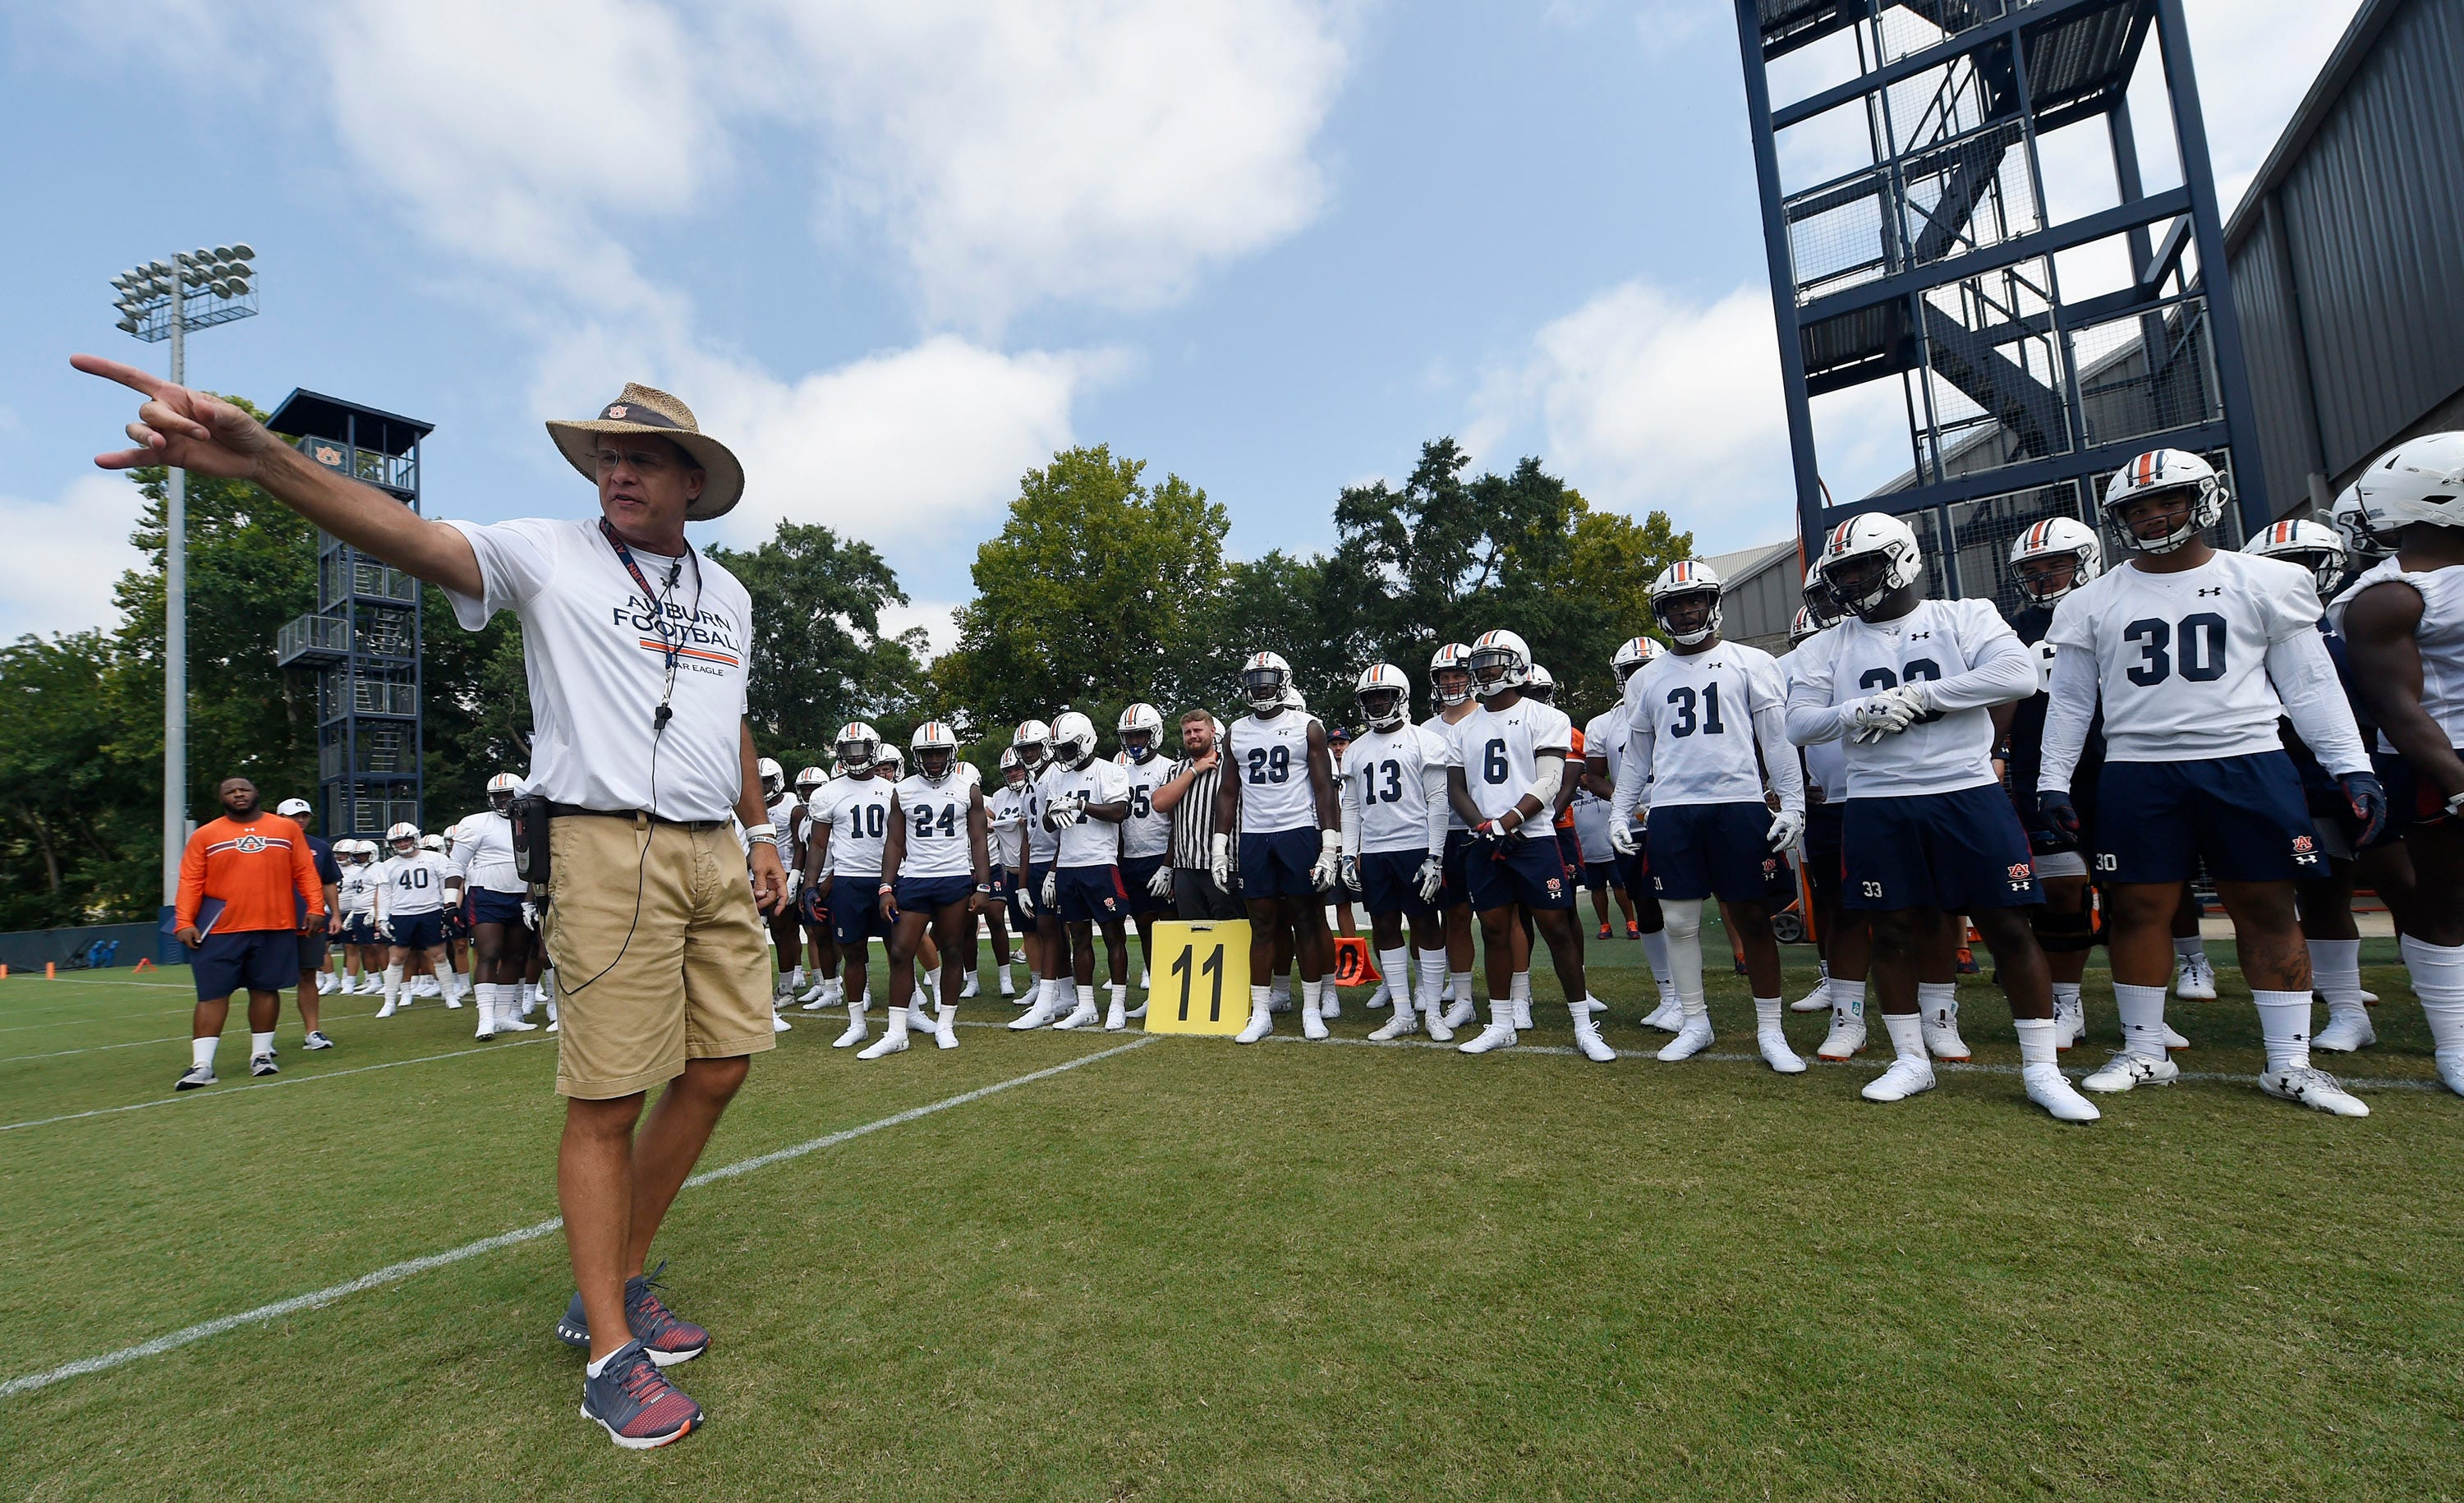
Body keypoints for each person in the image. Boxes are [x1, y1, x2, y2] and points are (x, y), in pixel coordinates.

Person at [82, 361, 792, 1446]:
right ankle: (610, 1350)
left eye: (641, 455)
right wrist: (268, 460)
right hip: (606, 848)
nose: (617, 470)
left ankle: (620, 1276)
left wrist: (764, 828)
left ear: (693, 481)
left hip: (713, 853)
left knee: (723, 1067)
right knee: (607, 1097)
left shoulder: (728, 596)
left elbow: (724, 712)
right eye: (607, 453)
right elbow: (410, 538)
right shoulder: (549, 554)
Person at [2038, 449, 2383, 1117]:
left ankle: (2289, 1063)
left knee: (2266, 905)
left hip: (2246, 758)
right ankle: (2144, 1050)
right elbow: (2073, 702)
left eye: (2166, 501)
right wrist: (2053, 780)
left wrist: (2352, 765)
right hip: (2137, 767)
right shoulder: (2091, 600)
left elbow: (2309, 685)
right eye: (2138, 508)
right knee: (2138, 908)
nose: (2154, 515)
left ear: (2204, 500)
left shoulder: (2264, 580)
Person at [1786, 512, 2097, 1121]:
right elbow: (1798, 723)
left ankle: (2042, 1069)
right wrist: (1861, 711)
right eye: (1842, 572)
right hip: (1877, 798)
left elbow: (2020, 675)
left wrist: (1924, 696)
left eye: (1864, 566)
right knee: (1895, 931)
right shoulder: (1827, 644)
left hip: (1965, 788)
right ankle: (1910, 1060)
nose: (1851, 582)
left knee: (2008, 926)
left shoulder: (1964, 613)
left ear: (1901, 559)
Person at [1613, 560, 1806, 1073]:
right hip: (1673, 808)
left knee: (1751, 917)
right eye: (1673, 603)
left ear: (1713, 602)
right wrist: (1618, 812)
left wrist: (1792, 804)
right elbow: (1635, 755)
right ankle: (1695, 1021)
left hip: (1738, 802)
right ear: (1661, 613)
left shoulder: (1752, 661)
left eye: (1692, 600)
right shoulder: (1647, 678)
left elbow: (1777, 741)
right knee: (1678, 920)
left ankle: (1771, 1029)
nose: (1684, 609)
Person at [2336, 432, 2464, 1096]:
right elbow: (2398, 708)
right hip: (2440, 760)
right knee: (2444, 905)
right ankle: (2456, 1044)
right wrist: (2457, 783)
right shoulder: (2392, 595)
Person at [1442, 630, 1600, 1059]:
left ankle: (1584, 1024)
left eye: (1493, 661)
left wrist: (1508, 821)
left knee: (1557, 929)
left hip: (1533, 837)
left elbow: (1550, 780)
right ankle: (1501, 1023)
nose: (1483, 670)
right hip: (1485, 841)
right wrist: (1485, 827)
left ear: (1517, 665)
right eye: (1480, 663)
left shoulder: (1546, 716)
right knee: (1494, 930)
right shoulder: (1463, 727)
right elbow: (1456, 789)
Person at [2002, 518, 2108, 1051]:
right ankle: (2067, 1002)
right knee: (2063, 891)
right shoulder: (2013, 631)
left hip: (2120, 766)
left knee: (2138, 893)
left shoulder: (2117, 608)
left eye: (2056, 565)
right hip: (2042, 774)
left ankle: (2148, 1009)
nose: (2043, 577)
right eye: (2033, 570)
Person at [169, 777, 328, 1087]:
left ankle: (261, 1056)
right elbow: (190, 881)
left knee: (266, 990)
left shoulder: (286, 829)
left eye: (244, 789)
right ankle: (202, 1065)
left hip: (275, 926)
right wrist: (184, 921)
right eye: (229, 791)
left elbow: (306, 872)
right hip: (219, 930)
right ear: (221, 798)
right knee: (212, 995)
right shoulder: (205, 835)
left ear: (257, 793)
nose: (238, 794)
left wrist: (315, 907)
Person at [1217, 652, 1342, 1042]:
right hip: (1254, 836)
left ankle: (1310, 1009)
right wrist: (1219, 848)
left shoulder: (1308, 726)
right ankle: (1260, 1013)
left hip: (1298, 831)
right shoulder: (1236, 731)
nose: (1261, 688)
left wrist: (1329, 845)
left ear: (1284, 681)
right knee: (1262, 926)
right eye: (1254, 681)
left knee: (1306, 920)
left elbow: (1325, 790)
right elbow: (1228, 792)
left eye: (1268, 679)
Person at [1340, 663, 1455, 1041]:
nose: (1376, 703)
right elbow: (1352, 807)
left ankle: (1434, 1012)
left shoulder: (1426, 740)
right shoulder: (1354, 749)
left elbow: (1438, 802)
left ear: (1401, 697)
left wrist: (1435, 856)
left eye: (1383, 695)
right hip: (1374, 851)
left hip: (1415, 846)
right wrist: (1348, 853)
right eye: (1370, 697)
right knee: (1384, 926)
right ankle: (1403, 1013)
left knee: (1425, 924)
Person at [863, 722, 991, 1055]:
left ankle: (946, 1024)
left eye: (939, 752)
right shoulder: (902, 790)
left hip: (955, 879)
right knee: (900, 951)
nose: (934, 759)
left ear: (951, 753)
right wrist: (886, 886)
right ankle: (896, 1032)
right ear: (916, 756)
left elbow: (978, 840)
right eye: (927, 753)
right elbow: (894, 841)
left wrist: (983, 884)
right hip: (916, 879)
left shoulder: (968, 789)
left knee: (951, 951)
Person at [1585, 635, 1679, 1022]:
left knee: (1682, 908)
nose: (1640, 677)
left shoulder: (1676, 704)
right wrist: (1634, 807)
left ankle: (1688, 998)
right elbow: (1592, 777)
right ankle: (1668, 994)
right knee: (1646, 907)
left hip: (1677, 816)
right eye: (1631, 671)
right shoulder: (1604, 723)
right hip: (1636, 823)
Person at [1034, 710, 1138, 1029]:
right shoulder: (1056, 776)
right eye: (1061, 749)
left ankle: (1117, 1005)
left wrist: (1081, 806)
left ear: (1087, 739)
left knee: (1113, 935)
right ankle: (1087, 1005)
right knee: (1078, 937)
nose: (1065, 754)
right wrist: (1053, 811)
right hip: (1068, 866)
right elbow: (1048, 825)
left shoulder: (1109, 771)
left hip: (1100, 863)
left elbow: (1120, 811)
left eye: (1069, 747)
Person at [806, 723, 899, 1049]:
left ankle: (909, 1013)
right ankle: (857, 1023)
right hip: (848, 881)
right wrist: (809, 885)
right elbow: (818, 846)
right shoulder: (827, 793)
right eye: (848, 750)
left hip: (888, 880)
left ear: (873, 749)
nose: (855, 756)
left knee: (899, 951)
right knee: (854, 953)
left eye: (860, 749)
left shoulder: (892, 791)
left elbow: (902, 839)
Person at [1421, 642, 1484, 1031]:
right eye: (1444, 676)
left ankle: (1517, 994)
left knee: (1504, 916)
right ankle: (1462, 997)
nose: (1452, 681)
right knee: (1454, 915)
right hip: (1446, 833)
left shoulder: (1490, 716)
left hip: (1488, 827)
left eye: (1458, 673)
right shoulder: (1426, 729)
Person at [452, 773, 542, 1041]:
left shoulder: (533, 821)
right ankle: (486, 1019)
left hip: (522, 896)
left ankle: (503, 1016)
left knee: (516, 956)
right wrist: (448, 901)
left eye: (510, 795)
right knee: (489, 953)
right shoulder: (475, 823)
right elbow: (456, 864)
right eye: (499, 796)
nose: (505, 801)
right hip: (486, 893)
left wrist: (532, 899)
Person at [1152, 709, 1243, 921]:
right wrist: (1194, 770)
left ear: (1212, 732)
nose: (1192, 736)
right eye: (1187, 732)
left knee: (1230, 932)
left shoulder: (1231, 767)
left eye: (1197, 730)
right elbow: (1159, 803)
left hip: (1224, 865)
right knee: (1194, 934)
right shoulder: (1177, 769)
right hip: (1186, 867)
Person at [1115, 702, 1174, 1011]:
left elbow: (1181, 821)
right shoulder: (1119, 772)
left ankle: (1177, 993)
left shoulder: (1169, 768)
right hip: (1131, 860)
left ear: (1154, 734)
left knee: (1170, 929)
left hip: (1160, 856)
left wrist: (1168, 864)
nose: (1135, 741)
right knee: (1145, 929)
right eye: (1130, 736)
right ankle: (1158, 995)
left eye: (1140, 735)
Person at [272, 797, 343, 1049]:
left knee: (308, 975)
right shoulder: (266, 845)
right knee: (266, 980)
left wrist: (335, 914)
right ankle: (264, 1040)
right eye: (294, 816)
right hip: (271, 921)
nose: (300, 820)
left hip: (310, 920)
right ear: (280, 818)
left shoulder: (319, 847)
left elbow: (328, 882)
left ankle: (312, 1031)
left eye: (304, 816)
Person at [375, 823, 463, 1018]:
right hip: (401, 914)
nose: (403, 843)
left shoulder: (435, 859)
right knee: (396, 959)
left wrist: (448, 908)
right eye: (398, 841)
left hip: (431, 911)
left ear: (415, 839)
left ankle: (450, 995)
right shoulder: (387, 866)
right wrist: (381, 918)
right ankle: (389, 1002)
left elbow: (445, 885)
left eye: (406, 839)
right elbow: (384, 894)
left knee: (439, 956)